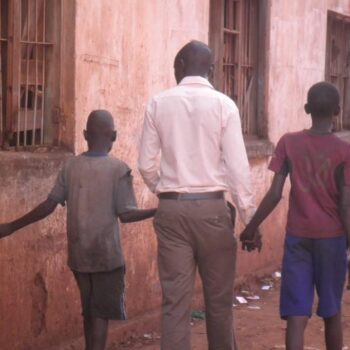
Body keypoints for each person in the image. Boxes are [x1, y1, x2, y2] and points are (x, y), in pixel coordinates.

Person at [0, 110, 157, 350]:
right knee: (100, 314)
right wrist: (156, 211)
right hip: (107, 256)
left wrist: (12, 226)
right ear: (113, 135)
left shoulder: (70, 166)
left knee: (89, 312)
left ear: (85, 135)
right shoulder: (119, 169)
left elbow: (48, 205)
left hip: (79, 255)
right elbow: (126, 215)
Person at [138, 40, 258, 350]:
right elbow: (238, 169)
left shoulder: (158, 103)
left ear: (178, 67)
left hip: (172, 212)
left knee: (175, 305)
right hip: (213, 212)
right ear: (212, 70)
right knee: (219, 304)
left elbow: (146, 166)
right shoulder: (224, 105)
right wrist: (250, 219)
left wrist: (166, 192)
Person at [240, 82, 350, 350]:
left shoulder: (289, 142)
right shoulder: (344, 151)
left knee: (296, 314)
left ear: (306, 109)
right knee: (332, 311)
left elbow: (275, 193)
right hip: (332, 239)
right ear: (337, 111)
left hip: (298, 238)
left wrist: (251, 227)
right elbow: (346, 205)